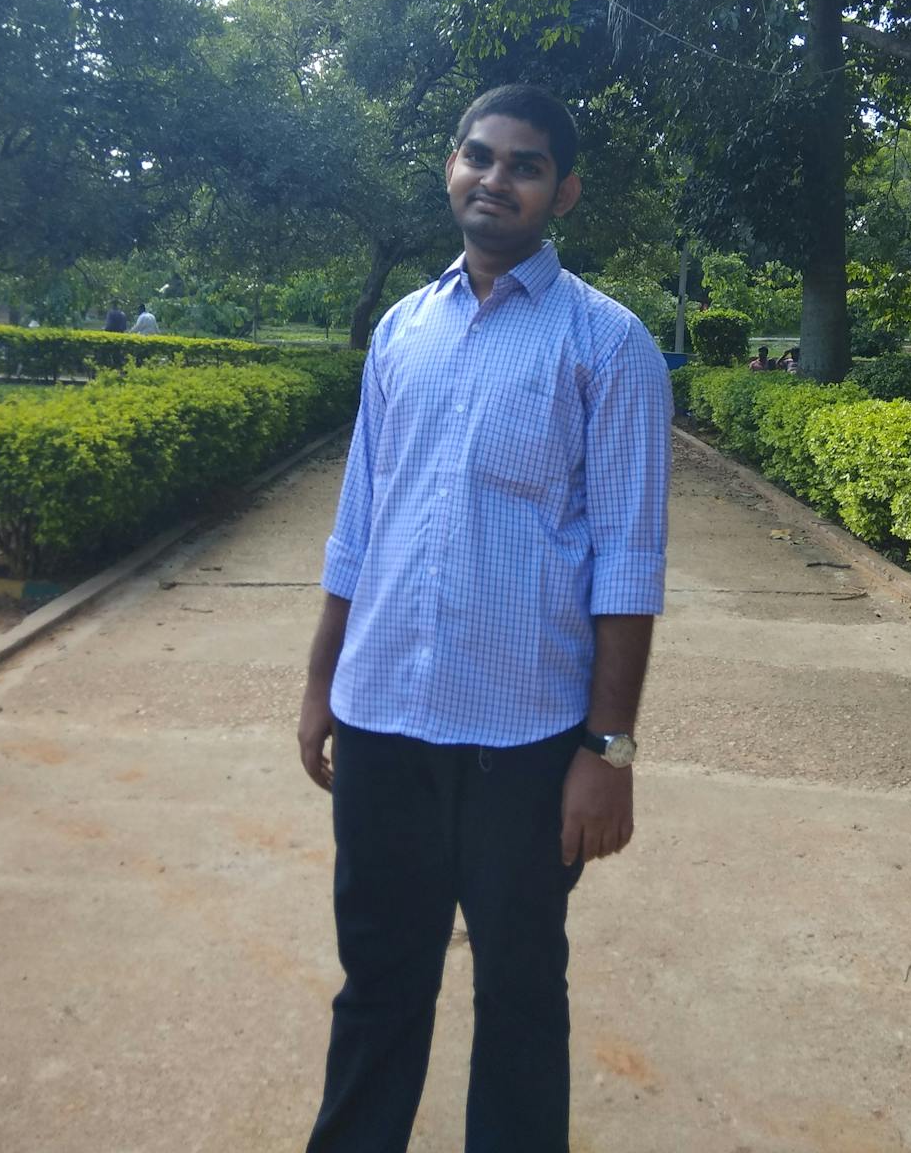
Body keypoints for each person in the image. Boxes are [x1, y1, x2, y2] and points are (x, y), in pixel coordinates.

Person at [297, 83, 672, 1153]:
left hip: (523, 738)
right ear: (450, 166)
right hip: (382, 723)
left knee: (517, 995)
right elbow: (358, 527)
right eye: (479, 156)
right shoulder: (402, 333)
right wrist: (323, 684)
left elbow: (630, 564)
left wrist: (608, 747)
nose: (495, 178)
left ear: (564, 190)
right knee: (378, 983)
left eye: (524, 164)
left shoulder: (609, 345)